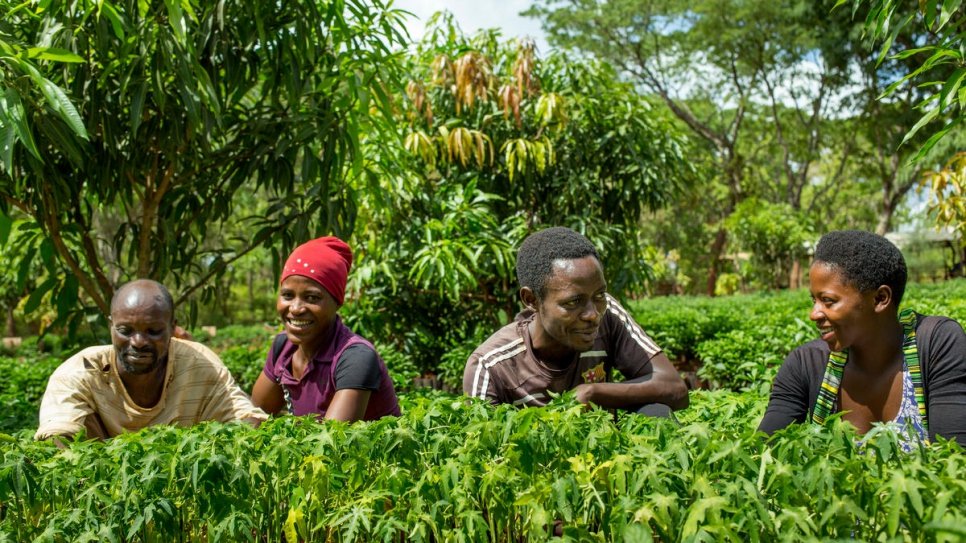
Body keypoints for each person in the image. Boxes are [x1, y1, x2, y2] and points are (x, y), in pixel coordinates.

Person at [759, 230, 966, 447]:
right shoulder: (805, 363)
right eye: (814, 300)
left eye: (828, 301)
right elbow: (763, 452)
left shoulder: (937, 343)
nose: (814, 314)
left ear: (880, 298)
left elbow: (955, 456)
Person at [463, 227, 689, 415]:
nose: (592, 314)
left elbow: (674, 389)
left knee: (656, 413)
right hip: (532, 468)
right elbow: (480, 452)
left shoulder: (608, 314)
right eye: (573, 302)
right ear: (531, 300)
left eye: (599, 295)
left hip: (609, 460)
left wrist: (591, 392)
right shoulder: (490, 365)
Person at [35, 279, 266, 441]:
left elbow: (247, 421)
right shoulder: (79, 373)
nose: (138, 341)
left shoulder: (200, 365)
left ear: (172, 327)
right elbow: (57, 438)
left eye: (153, 331)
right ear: (110, 326)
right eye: (125, 330)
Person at [251, 236, 400, 421]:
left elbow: (331, 442)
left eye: (312, 298)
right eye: (287, 295)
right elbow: (254, 419)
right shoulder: (283, 347)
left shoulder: (355, 357)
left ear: (337, 302)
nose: (296, 308)